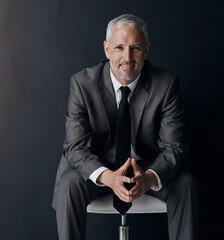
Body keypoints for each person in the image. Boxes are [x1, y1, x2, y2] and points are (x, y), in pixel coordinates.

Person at [52, 14, 199, 240]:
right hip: (100, 166)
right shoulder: (82, 84)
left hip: (148, 167)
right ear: (107, 49)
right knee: (69, 184)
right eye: (119, 47)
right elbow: (75, 147)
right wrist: (109, 178)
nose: (127, 57)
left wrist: (149, 178)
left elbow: (175, 148)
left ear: (147, 50)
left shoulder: (166, 84)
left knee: (186, 183)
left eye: (136, 48)